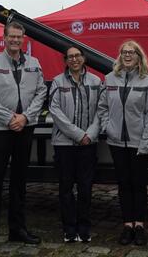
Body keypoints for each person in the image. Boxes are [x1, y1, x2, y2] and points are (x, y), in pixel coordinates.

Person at [0, 22, 47, 255]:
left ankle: (17, 228)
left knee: (19, 182)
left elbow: (41, 92)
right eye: (12, 37)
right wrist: (10, 119)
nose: (16, 40)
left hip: (25, 128)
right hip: (0, 129)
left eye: (19, 37)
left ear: (24, 39)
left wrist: (25, 117)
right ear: (4, 38)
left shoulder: (34, 64)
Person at [97, 40, 148, 247]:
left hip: (139, 142)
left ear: (139, 56)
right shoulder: (109, 79)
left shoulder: (147, 81)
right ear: (120, 56)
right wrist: (107, 127)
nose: (128, 55)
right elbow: (102, 107)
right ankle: (127, 225)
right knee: (123, 184)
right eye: (124, 52)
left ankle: (139, 225)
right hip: (116, 142)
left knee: (138, 185)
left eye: (132, 52)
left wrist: (146, 142)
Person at [48, 45, 102, 243]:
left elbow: (101, 111)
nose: (74, 60)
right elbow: (55, 112)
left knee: (86, 188)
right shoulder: (57, 82)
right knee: (66, 188)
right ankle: (69, 229)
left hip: (89, 142)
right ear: (65, 61)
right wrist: (79, 134)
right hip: (64, 144)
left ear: (84, 58)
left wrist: (91, 134)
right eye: (70, 57)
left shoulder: (96, 82)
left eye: (78, 56)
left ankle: (84, 227)